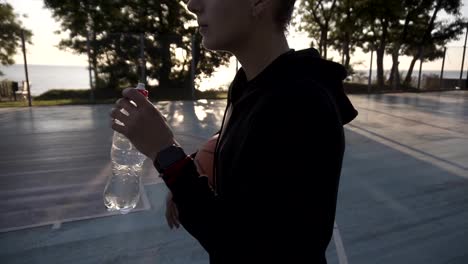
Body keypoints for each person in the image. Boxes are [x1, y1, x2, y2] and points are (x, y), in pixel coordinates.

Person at [110, 0, 358, 263]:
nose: (193, 5)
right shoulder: (251, 86)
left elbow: (246, 248)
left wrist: (167, 156)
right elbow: (254, 148)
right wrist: (192, 168)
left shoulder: (301, 101)